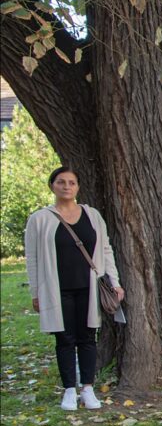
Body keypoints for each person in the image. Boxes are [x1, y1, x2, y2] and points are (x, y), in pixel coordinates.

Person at [25, 167, 125, 411]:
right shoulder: (40, 219)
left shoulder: (92, 215)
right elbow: (32, 258)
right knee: (64, 338)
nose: (66, 186)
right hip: (57, 288)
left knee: (88, 337)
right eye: (61, 182)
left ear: (78, 187)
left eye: (71, 182)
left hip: (88, 287)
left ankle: (88, 388)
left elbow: (105, 250)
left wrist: (114, 280)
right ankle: (69, 389)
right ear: (52, 186)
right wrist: (35, 292)